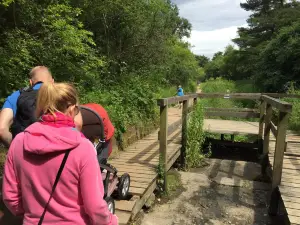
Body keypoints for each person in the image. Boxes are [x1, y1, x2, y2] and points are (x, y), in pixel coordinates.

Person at [2, 82, 118, 225]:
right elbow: (94, 205)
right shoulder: (83, 147)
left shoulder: (19, 142)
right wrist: (110, 221)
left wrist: (31, 215)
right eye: (77, 111)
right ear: (71, 109)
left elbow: (10, 196)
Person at [0, 66, 53, 147]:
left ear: (30, 82)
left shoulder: (17, 95)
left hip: (23, 153)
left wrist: (16, 147)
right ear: (52, 81)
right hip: (55, 154)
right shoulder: (62, 95)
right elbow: (76, 125)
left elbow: (1, 129)